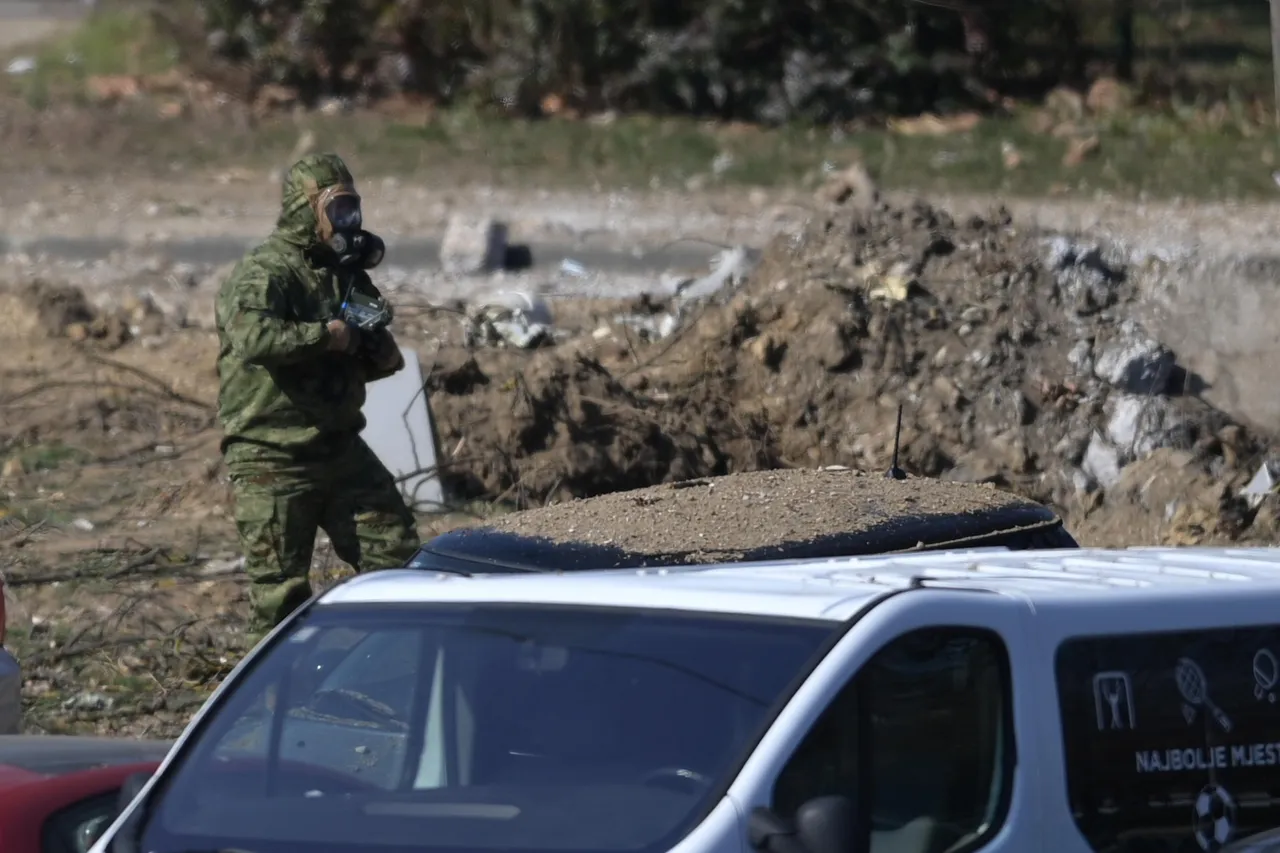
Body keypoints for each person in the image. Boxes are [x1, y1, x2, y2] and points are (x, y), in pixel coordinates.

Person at [214, 153, 421, 638]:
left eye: (353, 209)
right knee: (279, 599)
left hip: (339, 446)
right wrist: (324, 336)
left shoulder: (341, 273)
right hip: (273, 459)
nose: (348, 222)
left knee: (396, 560)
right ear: (307, 210)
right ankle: (271, 701)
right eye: (336, 209)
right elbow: (254, 339)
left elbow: (371, 336)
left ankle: (384, 669)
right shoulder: (265, 273)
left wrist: (377, 350)